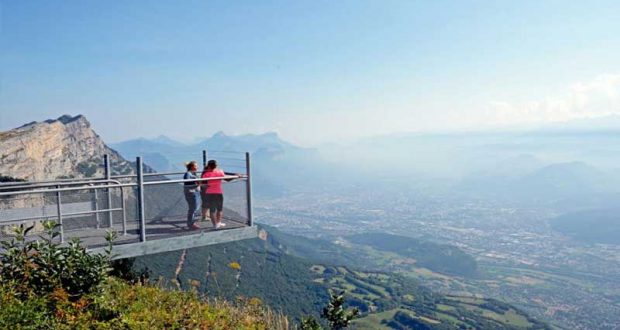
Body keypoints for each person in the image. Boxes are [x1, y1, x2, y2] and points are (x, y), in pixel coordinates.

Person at [200, 159, 237, 229]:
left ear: (208, 166)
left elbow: (201, 183)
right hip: (218, 192)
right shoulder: (220, 172)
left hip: (209, 193)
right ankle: (218, 222)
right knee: (219, 209)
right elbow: (227, 179)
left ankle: (215, 225)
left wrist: (204, 186)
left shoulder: (206, 174)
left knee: (212, 210)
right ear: (216, 166)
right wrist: (236, 176)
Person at [183, 161, 201, 230]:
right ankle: (190, 223)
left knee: (195, 207)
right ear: (192, 167)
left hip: (195, 192)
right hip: (191, 192)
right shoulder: (188, 174)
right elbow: (187, 182)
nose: (197, 167)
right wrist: (197, 182)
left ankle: (192, 222)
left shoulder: (193, 173)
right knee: (193, 208)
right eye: (196, 166)